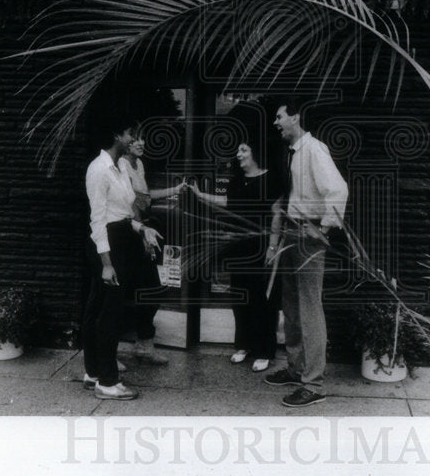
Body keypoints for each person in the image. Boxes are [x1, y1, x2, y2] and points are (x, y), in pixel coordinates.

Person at [263, 99, 348, 408]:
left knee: (310, 308)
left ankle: (313, 385)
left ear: (295, 118)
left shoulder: (314, 150)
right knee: (291, 304)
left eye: (279, 116)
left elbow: (338, 190)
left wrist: (323, 229)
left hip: (308, 237)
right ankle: (296, 368)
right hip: (292, 233)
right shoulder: (295, 153)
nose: (276, 122)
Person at [83, 121, 168, 400]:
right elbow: (98, 220)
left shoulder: (119, 167)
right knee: (109, 312)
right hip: (108, 246)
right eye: (131, 133)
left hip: (121, 238)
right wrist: (107, 263)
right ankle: (107, 382)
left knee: (99, 309)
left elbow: (122, 213)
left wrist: (142, 227)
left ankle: (94, 371)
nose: (134, 139)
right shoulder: (99, 169)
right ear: (117, 135)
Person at [188, 139, 282, 373]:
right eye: (238, 150)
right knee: (240, 296)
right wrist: (200, 195)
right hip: (239, 246)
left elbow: (277, 214)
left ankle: (264, 350)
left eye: (244, 150)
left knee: (263, 300)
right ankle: (243, 345)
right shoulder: (237, 180)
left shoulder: (271, 179)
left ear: (256, 152)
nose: (238, 155)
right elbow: (228, 202)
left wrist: (272, 246)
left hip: (262, 246)